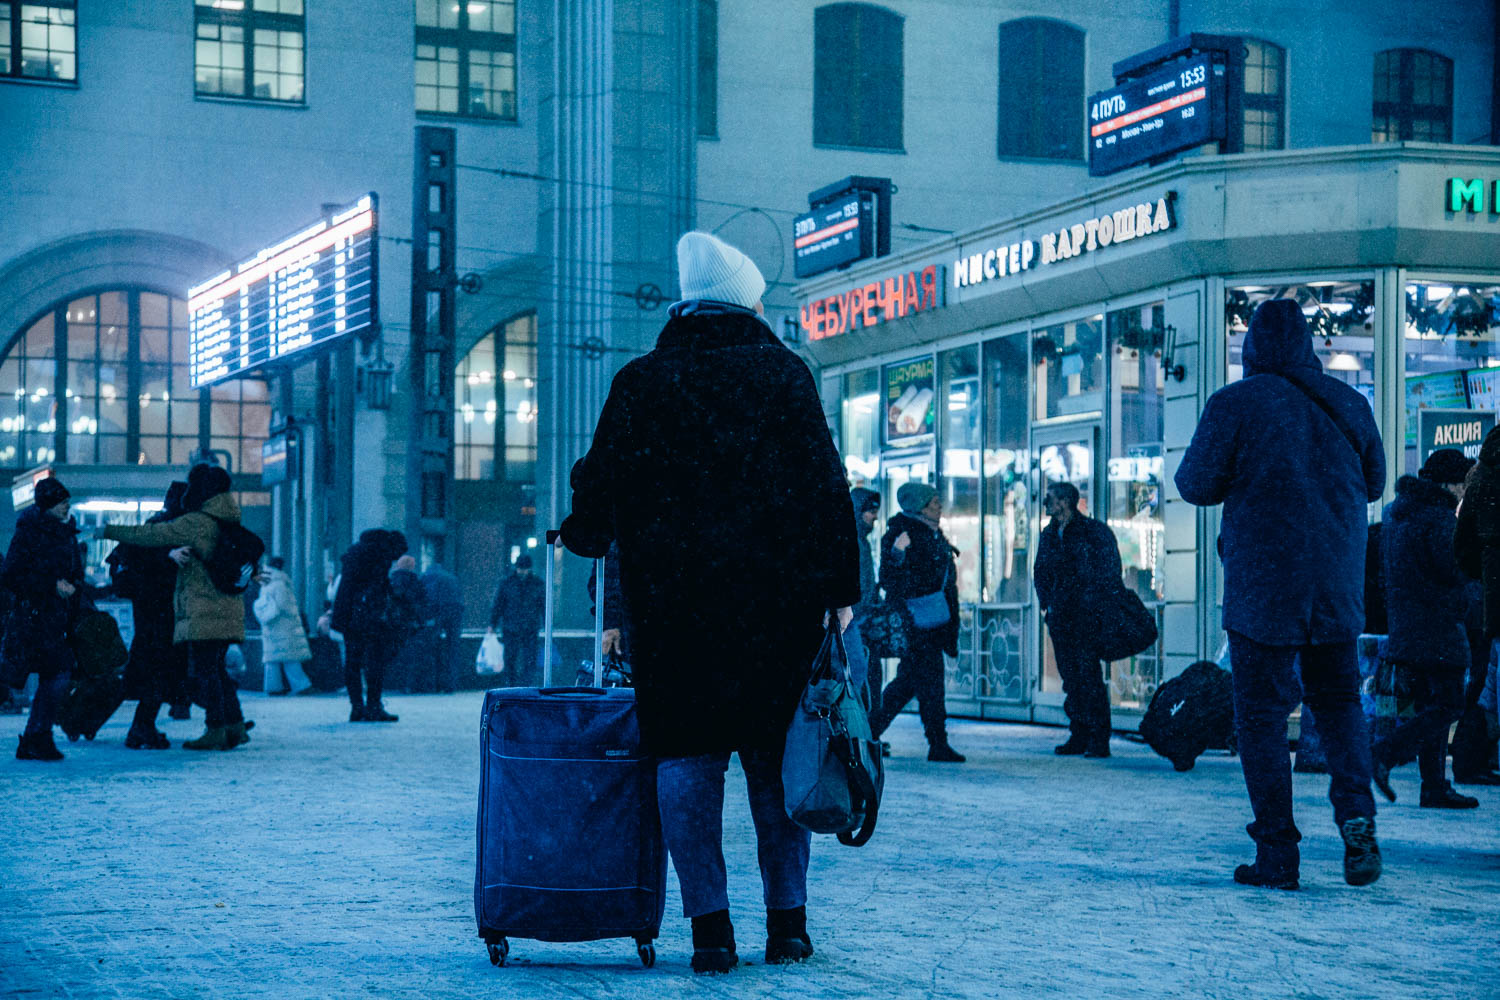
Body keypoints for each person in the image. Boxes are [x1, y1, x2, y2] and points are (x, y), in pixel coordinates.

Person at [560, 231, 859, 974]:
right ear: (747, 304)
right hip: (775, 613)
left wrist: (584, 529)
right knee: (774, 766)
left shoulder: (641, 381)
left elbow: (595, 504)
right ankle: (787, 925)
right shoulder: (784, 374)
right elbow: (827, 488)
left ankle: (710, 933)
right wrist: (840, 591)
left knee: (687, 765)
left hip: (676, 617)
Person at [1175, 298, 1385, 891]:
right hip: (1336, 587)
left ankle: (1277, 853)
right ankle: (1357, 819)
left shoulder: (1236, 403)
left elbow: (1194, 484)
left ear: (1251, 348)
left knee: (1262, 719)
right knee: (1340, 703)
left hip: (1264, 586)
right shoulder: (1350, 403)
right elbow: (1374, 482)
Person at [101, 464, 251, 751]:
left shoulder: (194, 524)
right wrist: (165, 556)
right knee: (182, 671)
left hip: (170, 614)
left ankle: (220, 723)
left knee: (189, 671)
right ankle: (214, 723)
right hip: (164, 615)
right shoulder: (186, 524)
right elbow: (138, 551)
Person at [1370, 449, 1479, 809]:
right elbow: (1453, 571)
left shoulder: (1398, 513)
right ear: (1449, 482)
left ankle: (1433, 786)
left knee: (1429, 705)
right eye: (1463, 483)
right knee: (1449, 704)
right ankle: (1385, 754)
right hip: (1439, 627)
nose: (1464, 491)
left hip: (1407, 625)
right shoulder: (1440, 518)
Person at [868, 483, 964, 762]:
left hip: (934, 622)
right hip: (914, 623)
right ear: (920, 507)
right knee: (926, 683)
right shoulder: (902, 533)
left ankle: (871, 733)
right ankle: (936, 743)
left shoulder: (934, 535)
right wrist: (898, 555)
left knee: (910, 682)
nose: (939, 506)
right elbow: (888, 578)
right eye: (934, 502)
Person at [1032, 481, 1122, 759]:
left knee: (1088, 675)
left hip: (1086, 616)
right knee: (1070, 677)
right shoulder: (1049, 534)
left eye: (1051, 498)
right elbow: (1041, 571)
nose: (1046, 503)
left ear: (1065, 502)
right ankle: (1079, 732)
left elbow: (1109, 570)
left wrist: (1096, 604)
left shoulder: (1092, 532)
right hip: (1061, 616)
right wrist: (1047, 604)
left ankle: (1098, 737)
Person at [2, 477, 86, 761]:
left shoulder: (66, 533)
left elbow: (75, 571)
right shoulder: (30, 533)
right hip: (35, 617)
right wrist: (52, 585)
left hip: (57, 617)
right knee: (57, 673)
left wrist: (74, 586)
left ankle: (37, 735)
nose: (67, 506)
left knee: (56, 674)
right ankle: (38, 735)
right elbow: (12, 574)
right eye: (61, 501)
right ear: (48, 504)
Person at [107, 480, 187, 748]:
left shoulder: (157, 524)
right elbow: (148, 565)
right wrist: (168, 558)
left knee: (150, 670)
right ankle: (140, 727)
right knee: (158, 669)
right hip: (159, 613)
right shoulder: (167, 527)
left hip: (151, 612)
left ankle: (139, 726)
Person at [1452, 425, 1500, 785]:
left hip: (1487, 602)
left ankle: (1471, 759)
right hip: (1489, 601)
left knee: (1484, 687)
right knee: (1485, 688)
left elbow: (1463, 548)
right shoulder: (1489, 481)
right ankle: (1471, 761)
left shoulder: (1481, 479)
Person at [329, 529, 406, 722]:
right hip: (369, 619)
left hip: (348, 616)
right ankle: (373, 706)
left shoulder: (356, 551)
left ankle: (357, 707)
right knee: (375, 662)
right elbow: (378, 590)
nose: (396, 560)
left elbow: (348, 588)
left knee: (353, 662)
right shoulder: (379, 555)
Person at [253, 557, 313, 696]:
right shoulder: (280, 584)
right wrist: (294, 613)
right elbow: (283, 605)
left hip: (270, 626)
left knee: (272, 659)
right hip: (284, 626)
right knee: (290, 658)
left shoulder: (266, 584)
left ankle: (273, 688)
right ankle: (301, 685)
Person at [848, 487, 882, 716]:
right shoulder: (855, 542)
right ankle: (864, 733)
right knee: (863, 676)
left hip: (861, 619)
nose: (875, 517)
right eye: (870, 511)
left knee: (868, 677)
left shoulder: (861, 541)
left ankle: (867, 734)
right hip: (857, 621)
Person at [489, 554, 545, 687]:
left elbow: (543, 605)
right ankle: (513, 684)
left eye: (524, 569)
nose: (522, 572)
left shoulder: (533, 583)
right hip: (514, 625)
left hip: (523, 624)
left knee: (527, 658)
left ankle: (524, 684)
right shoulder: (533, 583)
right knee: (511, 657)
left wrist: (493, 623)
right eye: (520, 569)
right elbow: (498, 604)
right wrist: (492, 623)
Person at [420, 561, 464, 693]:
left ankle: (432, 685)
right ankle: (451, 685)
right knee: (452, 650)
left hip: (438, 614)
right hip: (455, 614)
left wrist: (427, 616)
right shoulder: (452, 578)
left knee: (432, 650)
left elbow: (428, 597)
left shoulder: (427, 577)